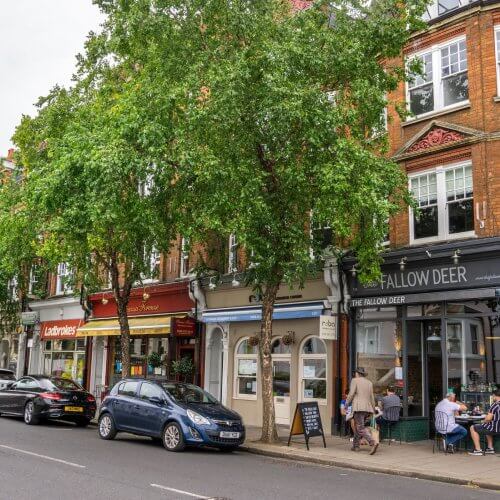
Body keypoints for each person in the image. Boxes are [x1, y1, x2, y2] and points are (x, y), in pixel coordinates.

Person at [346, 367, 379, 455]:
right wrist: (373, 408)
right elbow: (372, 397)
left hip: (358, 407)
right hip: (367, 408)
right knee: (359, 426)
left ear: (357, 373)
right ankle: (355, 446)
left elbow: (351, 393)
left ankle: (372, 442)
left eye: (355, 373)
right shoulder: (369, 383)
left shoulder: (355, 380)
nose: (354, 374)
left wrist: (346, 403)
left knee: (360, 428)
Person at [469, 389, 500, 456]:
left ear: (494, 395)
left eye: (492, 396)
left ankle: (478, 450)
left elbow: (488, 419)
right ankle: (490, 448)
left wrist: (483, 421)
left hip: (494, 429)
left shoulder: (495, 405)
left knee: (473, 427)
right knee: (486, 425)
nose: (492, 397)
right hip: (497, 428)